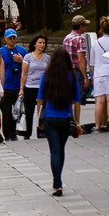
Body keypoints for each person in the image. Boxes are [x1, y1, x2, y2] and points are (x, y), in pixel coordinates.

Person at [39, 47, 82, 197]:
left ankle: (57, 183)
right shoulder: (71, 76)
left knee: (54, 151)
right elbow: (77, 100)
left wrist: (40, 117)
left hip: (50, 117)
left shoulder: (47, 75)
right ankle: (58, 179)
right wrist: (76, 121)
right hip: (65, 117)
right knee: (61, 150)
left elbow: (40, 98)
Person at [90, 17, 109, 133]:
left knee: (99, 101)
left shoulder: (96, 43)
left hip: (98, 73)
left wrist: (93, 76)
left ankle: (97, 126)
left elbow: (92, 62)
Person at [0, 29, 26, 141]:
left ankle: (14, 133)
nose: (12, 40)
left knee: (17, 112)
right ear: (5, 39)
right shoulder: (0, 52)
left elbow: (28, 67)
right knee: (6, 113)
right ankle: (7, 135)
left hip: (18, 87)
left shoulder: (22, 51)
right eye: (10, 38)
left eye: (14, 38)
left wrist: (21, 60)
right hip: (5, 87)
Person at [19, 35, 49, 139]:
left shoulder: (47, 58)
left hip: (42, 87)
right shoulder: (28, 57)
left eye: (44, 43)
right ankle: (27, 133)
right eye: (40, 43)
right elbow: (24, 73)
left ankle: (42, 129)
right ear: (35, 44)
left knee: (42, 110)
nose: (42, 45)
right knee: (29, 110)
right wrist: (21, 88)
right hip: (30, 86)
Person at [62, 15, 91, 111]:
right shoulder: (80, 39)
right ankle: (75, 122)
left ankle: (70, 119)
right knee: (77, 99)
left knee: (69, 98)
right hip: (77, 71)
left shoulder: (67, 37)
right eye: (84, 25)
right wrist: (86, 77)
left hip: (67, 70)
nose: (85, 27)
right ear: (81, 26)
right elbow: (81, 59)